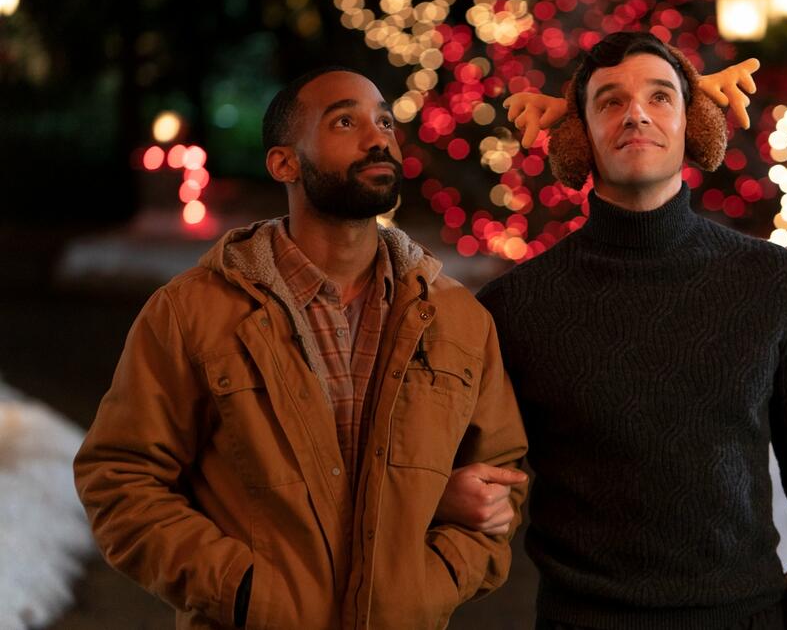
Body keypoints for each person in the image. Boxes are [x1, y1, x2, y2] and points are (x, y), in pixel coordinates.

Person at [440, 32, 787, 629]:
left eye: (660, 96)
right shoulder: (515, 306)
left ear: (691, 124)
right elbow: (456, 460)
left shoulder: (769, 282)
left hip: (744, 618)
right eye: (609, 101)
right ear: (582, 136)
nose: (636, 113)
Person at [73, 65, 529, 630]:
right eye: (346, 121)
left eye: (384, 121)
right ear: (284, 162)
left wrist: (429, 585)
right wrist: (241, 592)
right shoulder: (193, 312)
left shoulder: (458, 319)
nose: (378, 137)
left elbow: (500, 483)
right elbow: (119, 478)